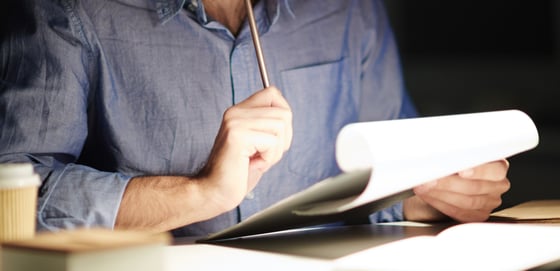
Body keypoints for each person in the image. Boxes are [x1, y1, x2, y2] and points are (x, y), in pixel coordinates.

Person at [0, 0, 510, 237]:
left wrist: (427, 199)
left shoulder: (350, 9)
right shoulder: (69, 11)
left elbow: (387, 183)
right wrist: (201, 194)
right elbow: (16, 195)